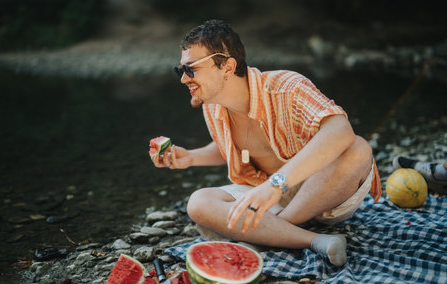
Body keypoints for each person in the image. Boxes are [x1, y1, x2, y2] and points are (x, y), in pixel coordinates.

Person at [150, 20, 381, 266]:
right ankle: (314, 240)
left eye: (191, 69)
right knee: (198, 202)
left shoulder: (287, 87)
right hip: (267, 198)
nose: (184, 79)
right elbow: (232, 148)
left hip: (324, 195)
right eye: (180, 70)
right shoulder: (211, 106)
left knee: (357, 148)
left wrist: (275, 185)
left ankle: (269, 235)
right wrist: (191, 157)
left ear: (227, 67)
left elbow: (340, 129)